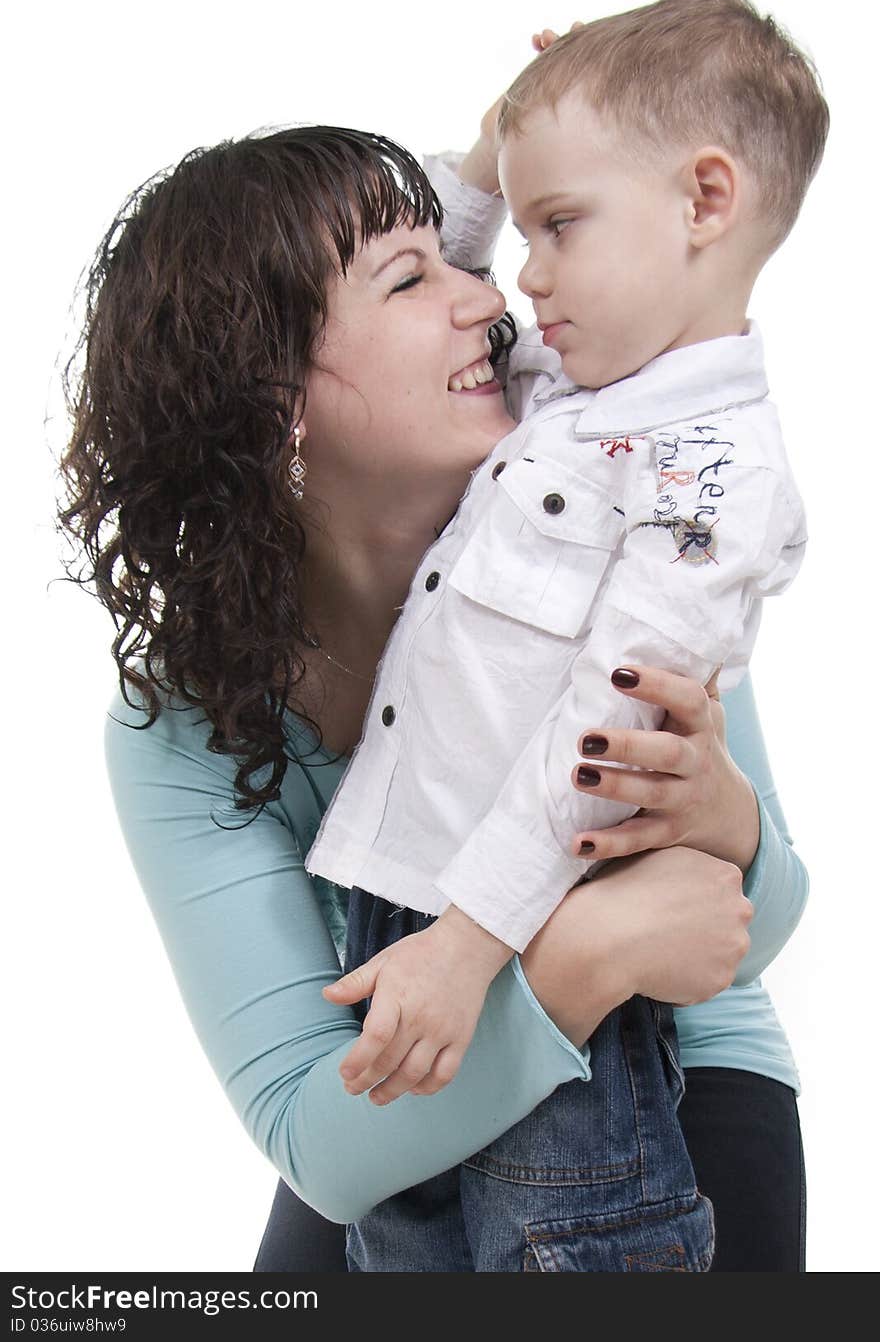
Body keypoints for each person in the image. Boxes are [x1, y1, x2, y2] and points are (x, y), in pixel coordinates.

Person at [59, 122, 806, 1271]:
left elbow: (740, 929)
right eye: (412, 278)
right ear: (273, 404)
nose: (490, 300)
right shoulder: (182, 726)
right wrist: (587, 949)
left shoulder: (608, 536)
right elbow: (319, 1137)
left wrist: (731, 826)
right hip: (406, 1093)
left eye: (462, 261)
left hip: (677, 1075)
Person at [307, 0, 828, 1147]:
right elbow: (357, 306)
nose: (516, 283)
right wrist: (498, 151)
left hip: (545, 982)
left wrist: (465, 943)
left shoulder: (709, 478)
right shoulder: (572, 382)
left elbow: (604, 741)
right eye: (526, 232)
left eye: (560, 225)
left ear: (703, 200)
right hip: (425, 941)